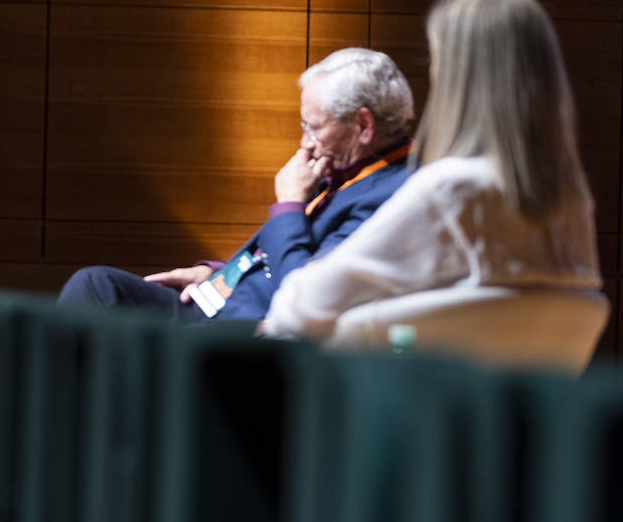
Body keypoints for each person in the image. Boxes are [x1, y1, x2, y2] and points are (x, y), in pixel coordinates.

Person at [261, 0, 600, 339]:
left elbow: (297, 309)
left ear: (456, 77)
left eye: (437, 60)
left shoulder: (451, 190)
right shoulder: (572, 200)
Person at [57, 48, 415, 321]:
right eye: (303, 127)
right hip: (217, 301)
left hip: (246, 333)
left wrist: (288, 206)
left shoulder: (391, 196)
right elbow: (281, 253)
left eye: (314, 128)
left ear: (363, 125)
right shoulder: (343, 167)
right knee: (96, 286)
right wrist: (218, 272)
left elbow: (306, 294)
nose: (306, 142)